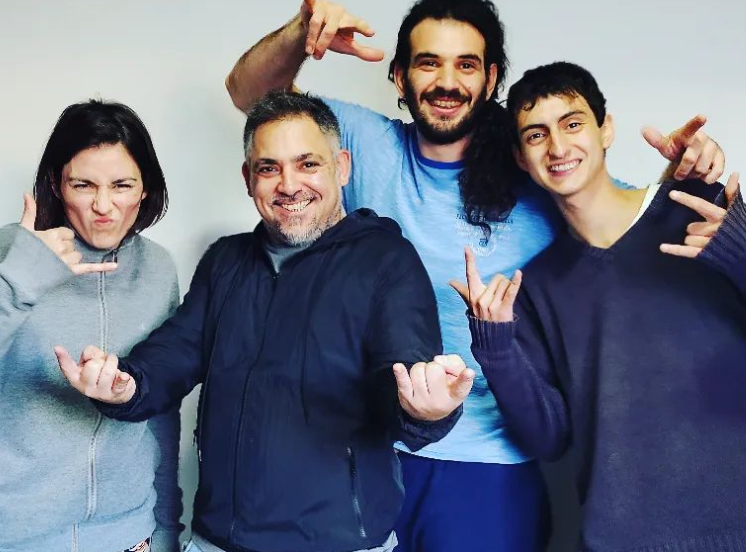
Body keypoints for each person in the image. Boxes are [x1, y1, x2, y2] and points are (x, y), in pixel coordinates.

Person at [225, 0, 727, 552]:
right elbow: (250, 95)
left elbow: (631, 221)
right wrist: (302, 32)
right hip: (362, 451)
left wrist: (690, 173)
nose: (446, 82)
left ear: (490, 80)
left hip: (487, 465)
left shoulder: (537, 170)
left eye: (466, 65)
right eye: (428, 63)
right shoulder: (363, 146)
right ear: (399, 77)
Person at [55, 90, 473, 552]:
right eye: (269, 168)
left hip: (338, 545)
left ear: (342, 167)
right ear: (248, 178)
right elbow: (177, 351)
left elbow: (405, 376)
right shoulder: (227, 260)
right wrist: (127, 385)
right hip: (217, 541)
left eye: (307, 164)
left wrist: (425, 410)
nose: (289, 185)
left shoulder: (386, 260)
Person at [454, 60, 746, 552]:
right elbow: (549, 438)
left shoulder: (698, 212)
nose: (557, 147)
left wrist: (745, 252)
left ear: (606, 129)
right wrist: (496, 347)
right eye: (536, 135)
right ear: (520, 156)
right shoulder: (537, 287)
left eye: (572, 123)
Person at [0, 100, 184, 552]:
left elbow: (160, 409)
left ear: (145, 188)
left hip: (126, 534)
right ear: (56, 183)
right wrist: (19, 281)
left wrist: (166, 527)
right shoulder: (1, 254)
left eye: (122, 185)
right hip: (1, 538)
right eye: (83, 185)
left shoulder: (158, 269)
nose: (103, 206)